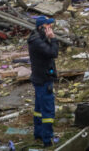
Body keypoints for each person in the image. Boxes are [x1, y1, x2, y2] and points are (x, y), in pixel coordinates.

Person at [27, 16, 60, 147]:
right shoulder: (37, 42)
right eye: (48, 26)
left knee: (39, 109)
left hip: (40, 78)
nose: (50, 28)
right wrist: (53, 38)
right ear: (41, 27)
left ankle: (39, 134)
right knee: (48, 111)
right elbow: (53, 52)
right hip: (43, 79)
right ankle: (48, 140)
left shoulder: (37, 38)